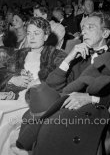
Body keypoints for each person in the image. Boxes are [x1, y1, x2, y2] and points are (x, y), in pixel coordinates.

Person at [16, 11, 110, 154]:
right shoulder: (78, 60)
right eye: (83, 28)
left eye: (90, 27)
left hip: (95, 113)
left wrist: (90, 99)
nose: (84, 31)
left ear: (105, 33)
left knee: (57, 128)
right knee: (38, 121)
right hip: (68, 106)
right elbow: (53, 86)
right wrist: (69, 58)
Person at [0, 17, 66, 155]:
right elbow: (4, 75)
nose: (32, 37)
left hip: (36, 101)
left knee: (3, 117)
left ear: (46, 36)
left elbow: (60, 80)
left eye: (37, 33)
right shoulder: (19, 54)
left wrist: (39, 82)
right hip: (16, 96)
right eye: (29, 33)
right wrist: (13, 79)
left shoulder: (56, 55)